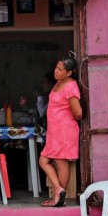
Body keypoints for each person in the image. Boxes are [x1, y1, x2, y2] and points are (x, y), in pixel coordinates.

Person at [39, 57, 82, 207]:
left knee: (61, 163)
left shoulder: (71, 87)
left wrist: (64, 119)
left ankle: (58, 198)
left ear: (69, 72)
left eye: (60, 70)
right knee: (44, 160)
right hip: (55, 131)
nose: (56, 72)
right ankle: (59, 190)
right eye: (56, 68)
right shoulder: (59, 82)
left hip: (64, 130)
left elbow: (78, 113)